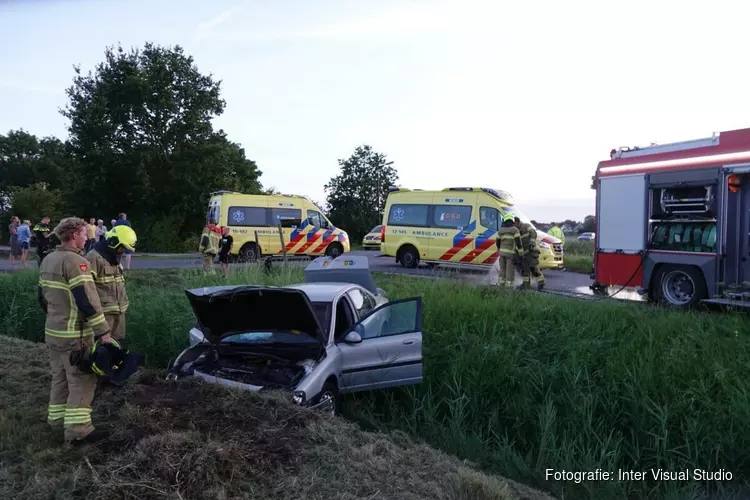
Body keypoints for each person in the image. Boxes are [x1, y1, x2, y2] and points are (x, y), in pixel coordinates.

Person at [37, 217, 111, 445]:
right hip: (75, 337)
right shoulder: (76, 262)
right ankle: (79, 431)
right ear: (73, 235)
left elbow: (41, 297)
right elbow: (86, 299)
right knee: (82, 381)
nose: (87, 236)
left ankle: (57, 421)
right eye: (83, 233)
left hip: (53, 332)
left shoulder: (49, 259)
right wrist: (102, 331)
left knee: (59, 378)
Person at [86, 225, 137, 344]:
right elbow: (86, 290)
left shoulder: (114, 259)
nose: (123, 251)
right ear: (114, 242)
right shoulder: (93, 258)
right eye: (122, 248)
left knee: (116, 350)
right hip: (103, 317)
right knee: (101, 351)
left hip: (119, 314)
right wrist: (97, 320)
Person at [514, 217, 545, 290]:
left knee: (534, 268)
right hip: (524, 254)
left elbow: (533, 233)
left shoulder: (526, 226)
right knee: (525, 270)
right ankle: (526, 285)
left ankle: (541, 283)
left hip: (531, 251)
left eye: (515, 224)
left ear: (518, 222)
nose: (514, 227)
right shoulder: (516, 231)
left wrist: (531, 243)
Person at [495, 213, 524, 287]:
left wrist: (499, 249)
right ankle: (509, 285)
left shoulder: (501, 230)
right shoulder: (515, 230)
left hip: (502, 253)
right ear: (512, 221)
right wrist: (521, 253)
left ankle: (501, 283)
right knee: (509, 270)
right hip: (510, 254)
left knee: (502, 269)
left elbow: (497, 242)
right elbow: (518, 242)